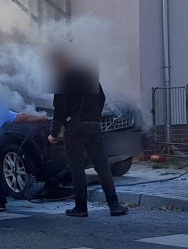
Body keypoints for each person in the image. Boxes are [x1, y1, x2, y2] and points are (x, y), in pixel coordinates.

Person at [48, 50, 128, 218]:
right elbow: (102, 98)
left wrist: (54, 133)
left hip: (74, 128)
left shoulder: (62, 80)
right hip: (94, 126)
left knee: (77, 167)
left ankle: (81, 207)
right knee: (102, 165)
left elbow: (59, 109)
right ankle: (114, 205)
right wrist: (93, 117)